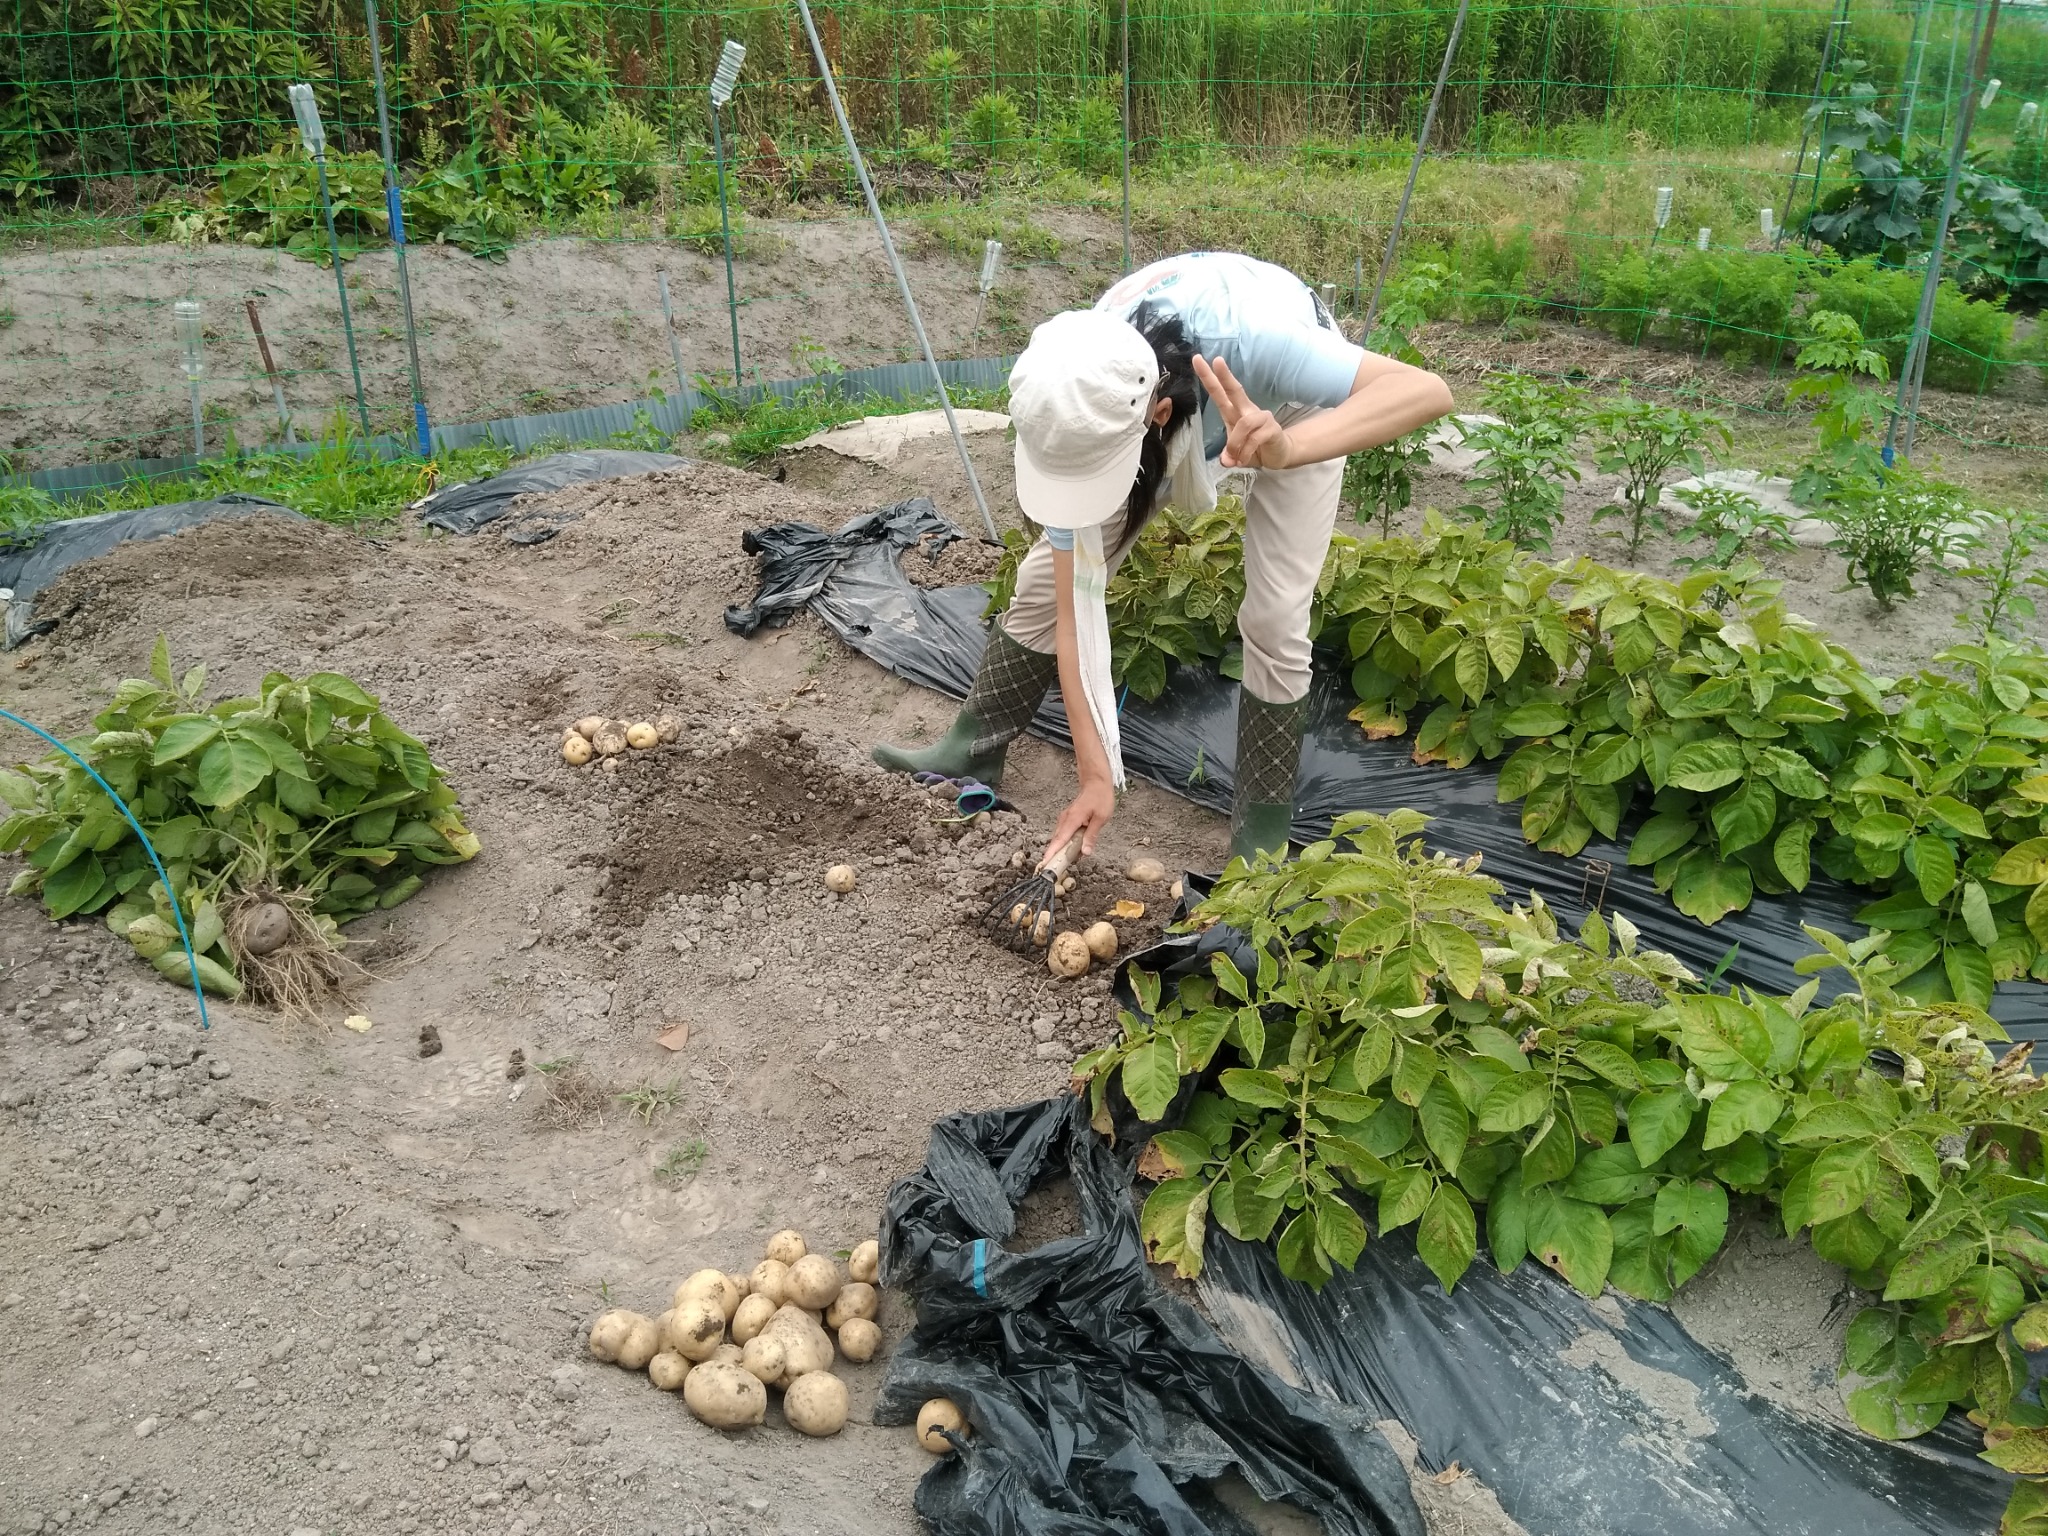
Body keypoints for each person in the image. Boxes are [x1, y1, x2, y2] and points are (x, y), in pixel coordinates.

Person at [874, 251, 1454, 865]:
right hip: (1148, 416)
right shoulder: (1073, 382)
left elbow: (1426, 391)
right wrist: (1096, 774)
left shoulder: (1260, 341)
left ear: (1157, 418)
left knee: (1276, 617)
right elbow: (1076, 608)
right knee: (1048, 576)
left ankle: (1260, 841)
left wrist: (1290, 448)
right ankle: (974, 745)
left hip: (1291, 412)